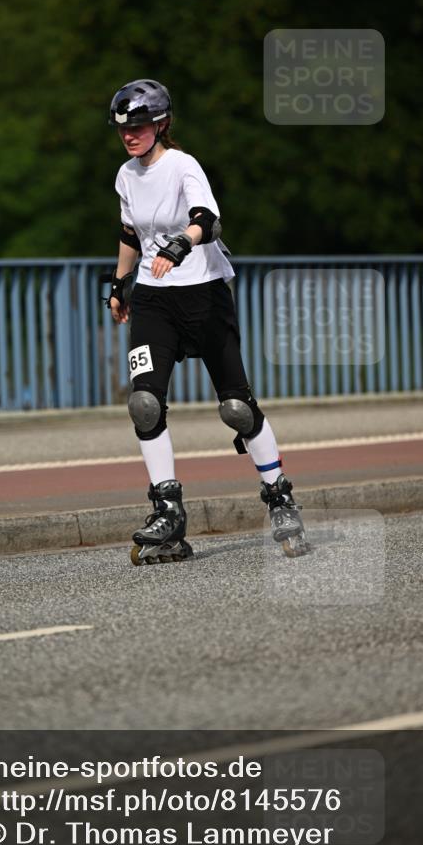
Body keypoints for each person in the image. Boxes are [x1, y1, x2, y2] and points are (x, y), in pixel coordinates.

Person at [105, 79, 307, 564]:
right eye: (123, 128)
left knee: (236, 408)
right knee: (144, 404)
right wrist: (119, 283)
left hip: (204, 293)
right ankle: (168, 514)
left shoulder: (183, 165)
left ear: (161, 124)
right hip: (154, 298)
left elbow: (208, 219)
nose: (130, 135)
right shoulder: (126, 176)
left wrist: (181, 243)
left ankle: (280, 499)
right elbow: (130, 233)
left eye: (139, 126)